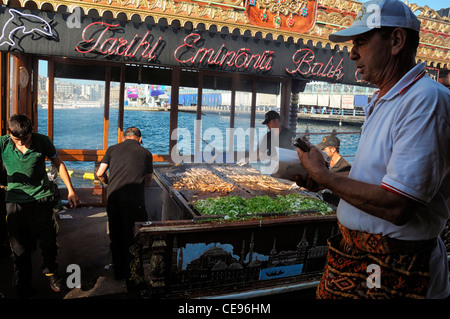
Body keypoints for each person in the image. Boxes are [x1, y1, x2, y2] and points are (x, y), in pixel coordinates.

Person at [296, 0, 450, 299]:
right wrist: (325, 178)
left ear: (396, 41)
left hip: (395, 270)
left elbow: (397, 205)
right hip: (360, 261)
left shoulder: (425, 101)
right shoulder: (387, 100)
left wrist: (325, 176)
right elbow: (376, 182)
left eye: (362, 42)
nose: (352, 53)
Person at [0, 114, 78, 298]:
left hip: (41, 198)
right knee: (19, 248)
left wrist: (71, 190)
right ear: (9, 134)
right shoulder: (2, 143)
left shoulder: (43, 141)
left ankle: (51, 273)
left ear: (31, 132)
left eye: (25, 139)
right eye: (17, 140)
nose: (22, 144)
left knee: (48, 242)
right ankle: (22, 283)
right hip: (15, 201)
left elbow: (58, 164)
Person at [96, 126, 153, 292]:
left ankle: (119, 272)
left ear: (123, 138)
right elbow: (149, 179)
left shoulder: (112, 149)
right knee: (134, 240)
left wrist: (108, 183)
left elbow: (100, 172)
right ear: (140, 139)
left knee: (116, 235)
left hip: (113, 199)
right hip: (134, 203)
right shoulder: (146, 153)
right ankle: (134, 281)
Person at [315, 134, 351, 206]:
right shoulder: (325, 161)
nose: (322, 151)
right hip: (322, 199)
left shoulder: (345, 167)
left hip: (335, 204)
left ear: (333, 149)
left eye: (324, 149)